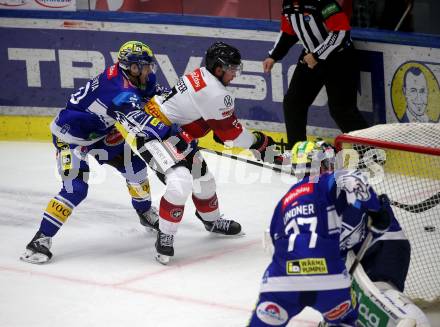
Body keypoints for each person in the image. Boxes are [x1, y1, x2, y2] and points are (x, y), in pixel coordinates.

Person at [20, 40, 171, 264]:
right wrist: (170, 132)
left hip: (102, 133)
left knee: (135, 167)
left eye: (150, 65)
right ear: (133, 67)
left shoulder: (138, 79)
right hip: (70, 137)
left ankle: (145, 213)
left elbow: (157, 97)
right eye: (145, 66)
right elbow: (142, 123)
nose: (150, 70)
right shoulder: (118, 90)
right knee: (76, 189)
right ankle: (40, 239)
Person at [133, 41, 278, 264]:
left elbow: (204, 119)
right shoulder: (215, 93)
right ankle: (165, 236)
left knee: (205, 181)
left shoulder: (203, 74)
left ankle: (211, 221)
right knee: (180, 182)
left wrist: (219, 130)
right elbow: (232, 136)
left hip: (173, 133)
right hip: (152, 134)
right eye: (231, 69)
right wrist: (260, 142)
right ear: (218, 68)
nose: (234, 74)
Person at [248, 140, 391, 326]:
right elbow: (352, 178)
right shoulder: (326, 183)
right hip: (330, 281)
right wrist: (377, 210)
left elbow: (276, 241)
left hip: (282, 281)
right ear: (325, 164)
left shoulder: (284, 202)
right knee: (345, 320)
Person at [263, 0, 369, 153]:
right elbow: (288, 32)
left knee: (341, 110)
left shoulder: (323, 2)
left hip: (339, 59)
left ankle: (370, 152)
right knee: (293, 103)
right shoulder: (287, 4)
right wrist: (273, 56)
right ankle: (297, 152)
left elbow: (341, 32)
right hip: (310, 58)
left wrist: (317, 55)